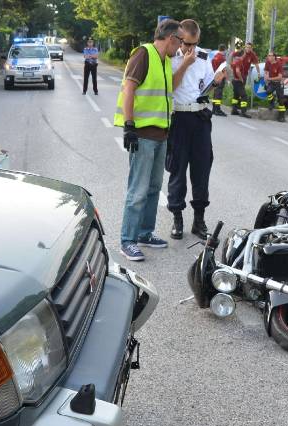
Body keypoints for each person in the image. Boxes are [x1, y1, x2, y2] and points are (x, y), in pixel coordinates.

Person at [113, 19, 184, 261]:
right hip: (142, 135)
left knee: (154, 189)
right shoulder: (144, 54)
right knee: (138, 191)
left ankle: (144, 233)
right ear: (172, 38)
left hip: (161, 134)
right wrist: (129, 125)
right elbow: (129, 90)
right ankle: (127, 241)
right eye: (181, 42)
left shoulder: (165, 61)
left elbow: (167, 93)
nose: (181, 47)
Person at [167, 19, 225, 240]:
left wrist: (217, 80)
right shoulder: (172, 56)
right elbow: (171, 86)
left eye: (194, 43)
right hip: (180, 118)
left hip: (200, 118)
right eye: (187, 44)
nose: (191, 48)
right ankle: (177, 218)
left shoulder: (203, 56)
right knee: (177, 169)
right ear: (180, 38)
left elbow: (206, 85)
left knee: (201, 169)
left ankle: (199, 220)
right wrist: (184, 64)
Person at [230, 41, 260, 118]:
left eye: (249, 47)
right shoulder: (239, 55)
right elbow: (231, 56)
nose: (248, 49)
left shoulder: (252, 54)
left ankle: (234, 110)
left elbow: (256, 63)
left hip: (243, 75)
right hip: (238, 76)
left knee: (236, 94)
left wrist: (259, 73)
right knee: (244, 95)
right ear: (244, 47)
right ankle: (243, 112)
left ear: (251, 48)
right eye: (246, 47)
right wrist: (231, 64)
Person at [263, 50, 287, 122]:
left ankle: (281, 116)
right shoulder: (268, 63)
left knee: (281, 100)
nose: (268, 57)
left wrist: (269, 78)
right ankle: (272, 102)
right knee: (268, 91)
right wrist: (266, 77)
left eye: (270, 56)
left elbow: (280, 77)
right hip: (271, 83)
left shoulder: (279, 64)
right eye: (268, 55)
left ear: (274, 57)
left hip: (278, 83)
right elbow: (266, 71)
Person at [210, 44, 227, 116]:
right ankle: (217, 109)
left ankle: (214, 109)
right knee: (218, 94)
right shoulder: (222, 58)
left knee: (215, 93)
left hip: (214, 77)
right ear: (224, 49)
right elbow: (224, 69)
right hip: (220, 77)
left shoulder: (215, 57)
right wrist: (225, 77)